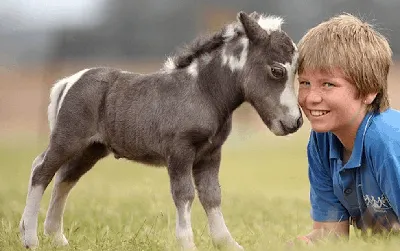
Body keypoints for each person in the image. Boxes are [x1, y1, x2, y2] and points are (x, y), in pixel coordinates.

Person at [295, 13, 400, 244]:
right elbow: (331, 234)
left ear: (368, 91)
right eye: (305, 83)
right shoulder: (322, 141)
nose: (311, 97)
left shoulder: (385, 139)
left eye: (328, 84)